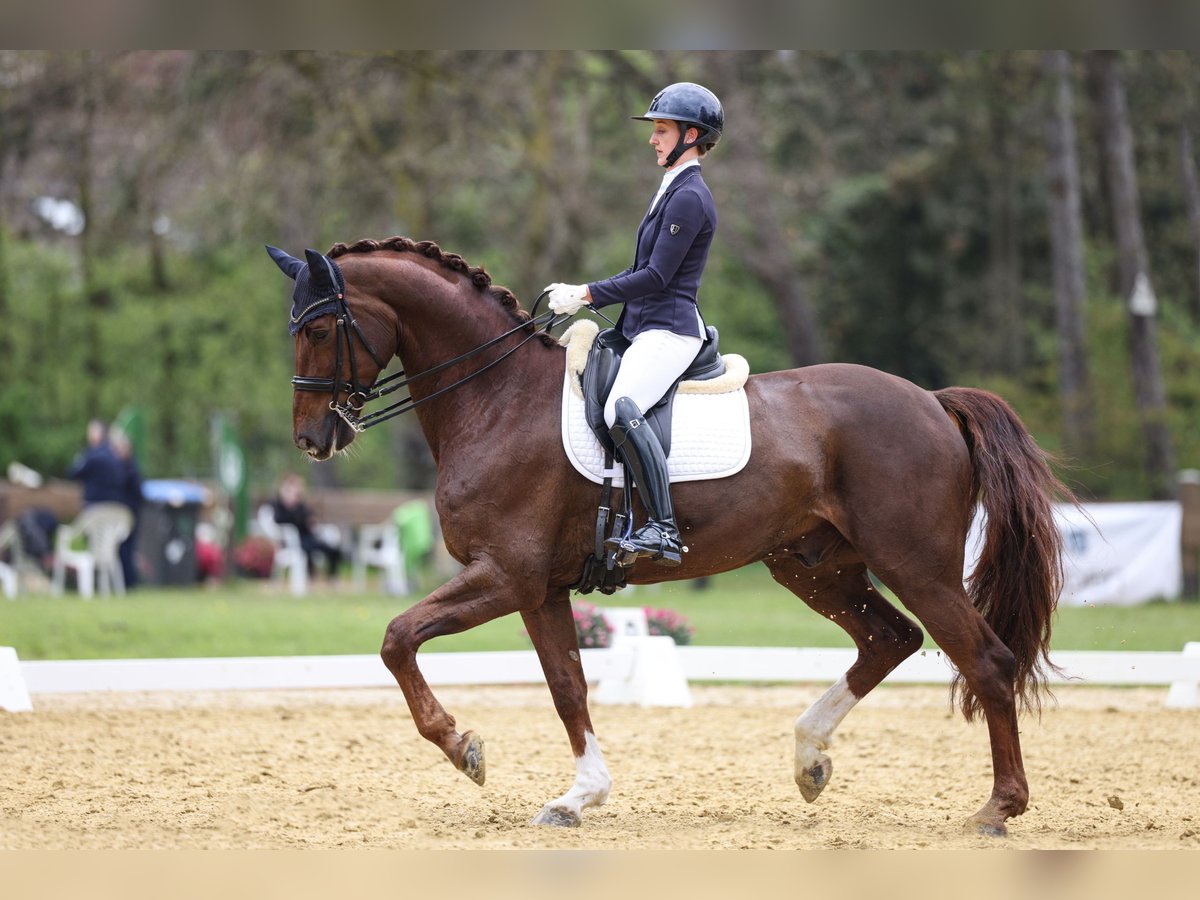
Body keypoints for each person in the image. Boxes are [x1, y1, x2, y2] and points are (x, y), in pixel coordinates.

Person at [543, 82, 723, 567]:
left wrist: (585, 295)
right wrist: (585, 290)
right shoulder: (671, 188)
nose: (653, 139)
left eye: (661, 130)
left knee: (620, 410)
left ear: (691, 135)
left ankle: (663, 529)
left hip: (670, 330)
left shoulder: (690, 196)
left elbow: (657, 276)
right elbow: (637, 269)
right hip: (643, 325)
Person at [272, 473, 342, 579]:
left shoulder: (301, 505)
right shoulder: (280, 506)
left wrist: (312, 523)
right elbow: (279, 522)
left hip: (309, 537)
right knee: (307, 551)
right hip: (293, 541)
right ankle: (310, 576)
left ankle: (332, 577)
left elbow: (310, 519)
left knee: (333, 550)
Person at [110, 428, 143, 589]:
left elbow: (137, 492)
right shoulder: (123, 467)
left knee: (126, 549)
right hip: (122, 513)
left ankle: (128, 582)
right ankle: (122, 582)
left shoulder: (129, 468)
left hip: (128, 514)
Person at [67, 419, 127, 505]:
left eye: (91, 431)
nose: (88, 435)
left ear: (98, 433)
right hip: (118, 504)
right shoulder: (116, 454)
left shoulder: (92, 455)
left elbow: (73, 473)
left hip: (96, 505)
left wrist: (79, 458)